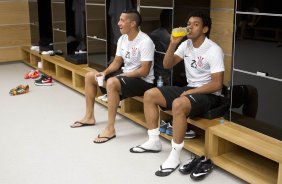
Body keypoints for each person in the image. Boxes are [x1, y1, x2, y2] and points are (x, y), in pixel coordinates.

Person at [130, 10, 225, 177]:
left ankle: (174, 156)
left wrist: (192, 91)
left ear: (204, 29)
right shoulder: (185, 44)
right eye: (189, 24)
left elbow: (217, 84)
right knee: (150, 94)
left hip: (210, 95)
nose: (190, 27)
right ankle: (153, 141)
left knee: (178, 104)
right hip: (191, 89)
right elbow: (167, 65)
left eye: (195, 25)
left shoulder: (213, 49)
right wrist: (173, 43)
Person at [71, 9, 155, 144]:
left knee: (111, 83)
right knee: (90, 76)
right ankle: (89, 117)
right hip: (125, 77)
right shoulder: (122, 38)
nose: (118, 23)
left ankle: (110, 129)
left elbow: (144, 71)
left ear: (133, 23)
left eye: (122, 20)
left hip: (142, 81)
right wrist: (104, 72)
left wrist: (124, 75)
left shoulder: (145, 41)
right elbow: (117, 62)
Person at [150, 9, 172, 86]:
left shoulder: (153, 33)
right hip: (162, 76)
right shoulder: (168, 37)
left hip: (153, 74)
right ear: (171, 20)